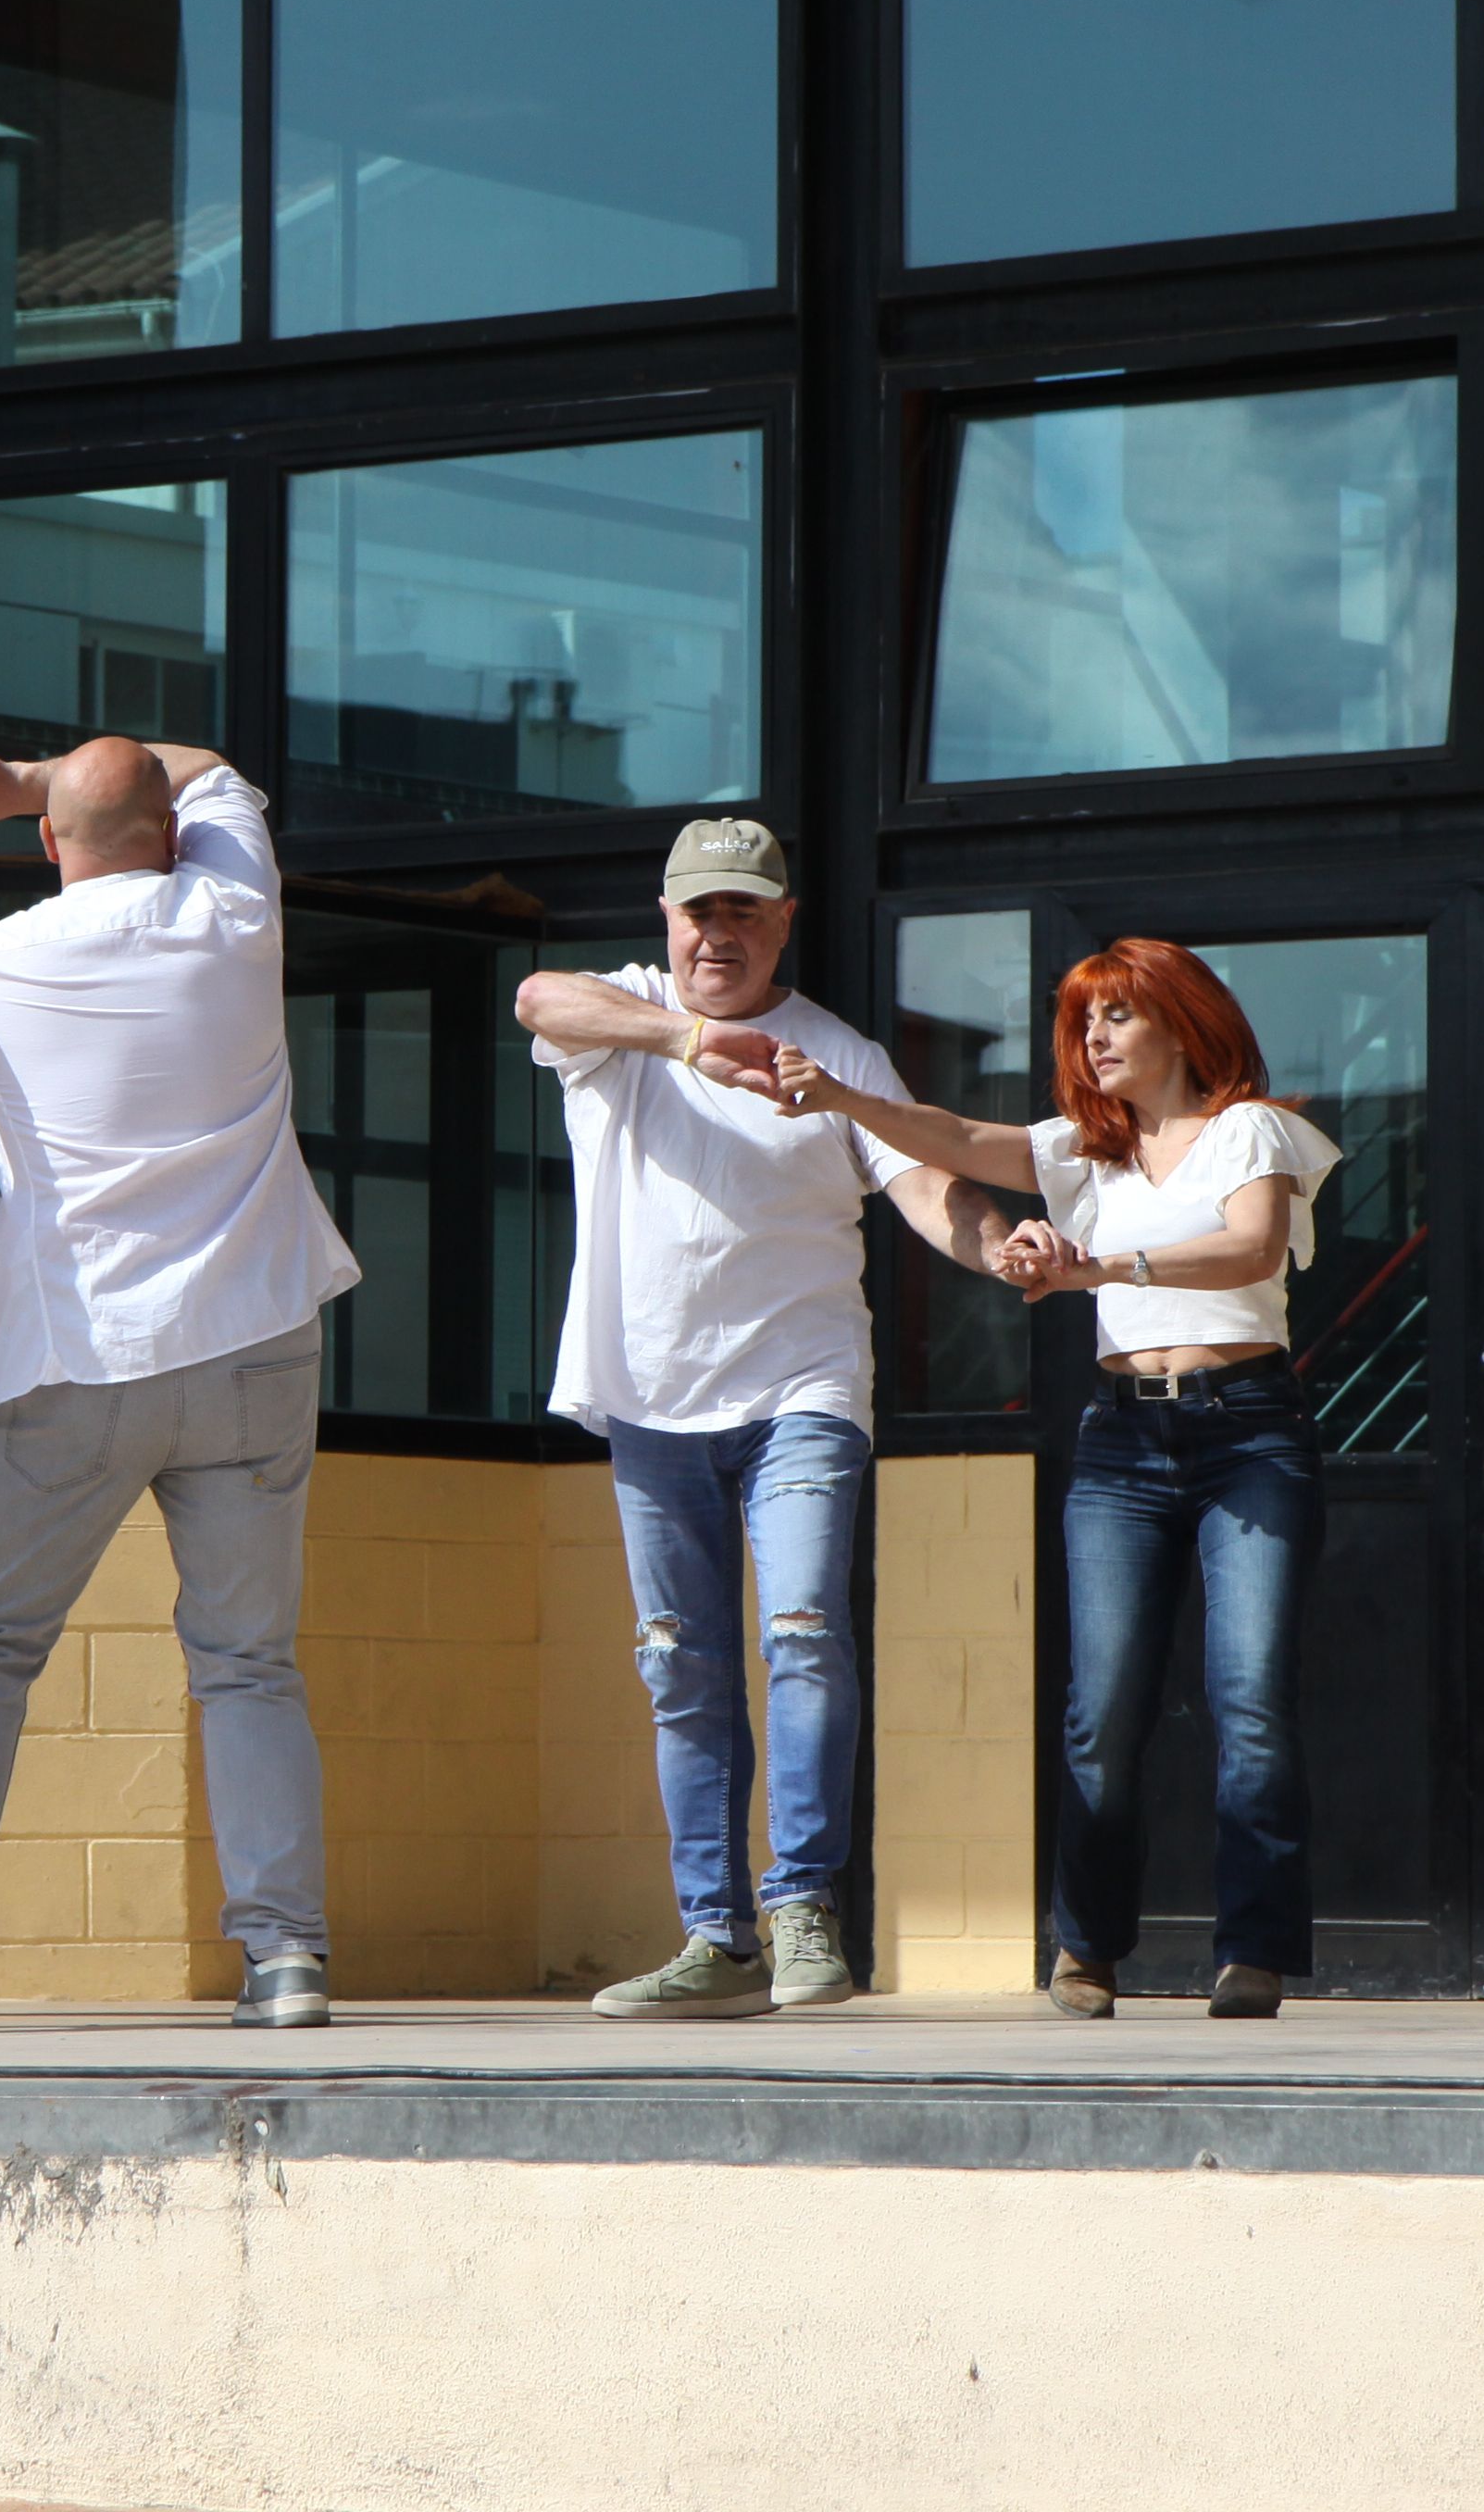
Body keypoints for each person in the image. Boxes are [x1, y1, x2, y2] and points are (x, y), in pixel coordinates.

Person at [0, 733, 356, 2032]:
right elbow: (205, 764)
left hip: (72, 1355)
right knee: (249, 1665)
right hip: (254, 1341)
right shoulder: (236, 906)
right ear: (174, 836)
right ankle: (284, 1958)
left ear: (49, 846)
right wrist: (24, 778)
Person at [770, 937, 1344, 2021]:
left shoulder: (1248, 1130)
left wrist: (1100, 1268)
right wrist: (842, 1098)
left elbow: (1254, 1247)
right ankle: (1086, 1948)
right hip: (1123, 1441)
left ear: (1180, 1020)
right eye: (1083, 1020)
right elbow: (953, 1139)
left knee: (1251, 1698)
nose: (1094, 1036)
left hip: (1249, 1433)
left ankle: (1253, 1953)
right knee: (1101, 1708)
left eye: (1117, 1014)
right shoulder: (1088, 1150)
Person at [513, 820, 1022, 2020]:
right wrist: (691, 1041)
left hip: (804, 1391)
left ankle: (801, 1907)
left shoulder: (838, 1054)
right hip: (650, 1399)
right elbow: (537, 997)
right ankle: (716, 1937)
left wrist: (1004, 1251)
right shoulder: (628, 1016)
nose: (718, 934)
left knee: (801, 1630)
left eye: (743, 910)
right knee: (680, 1666)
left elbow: (926, 1184)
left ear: (785, 921)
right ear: (667, 917)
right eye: (699, 911)